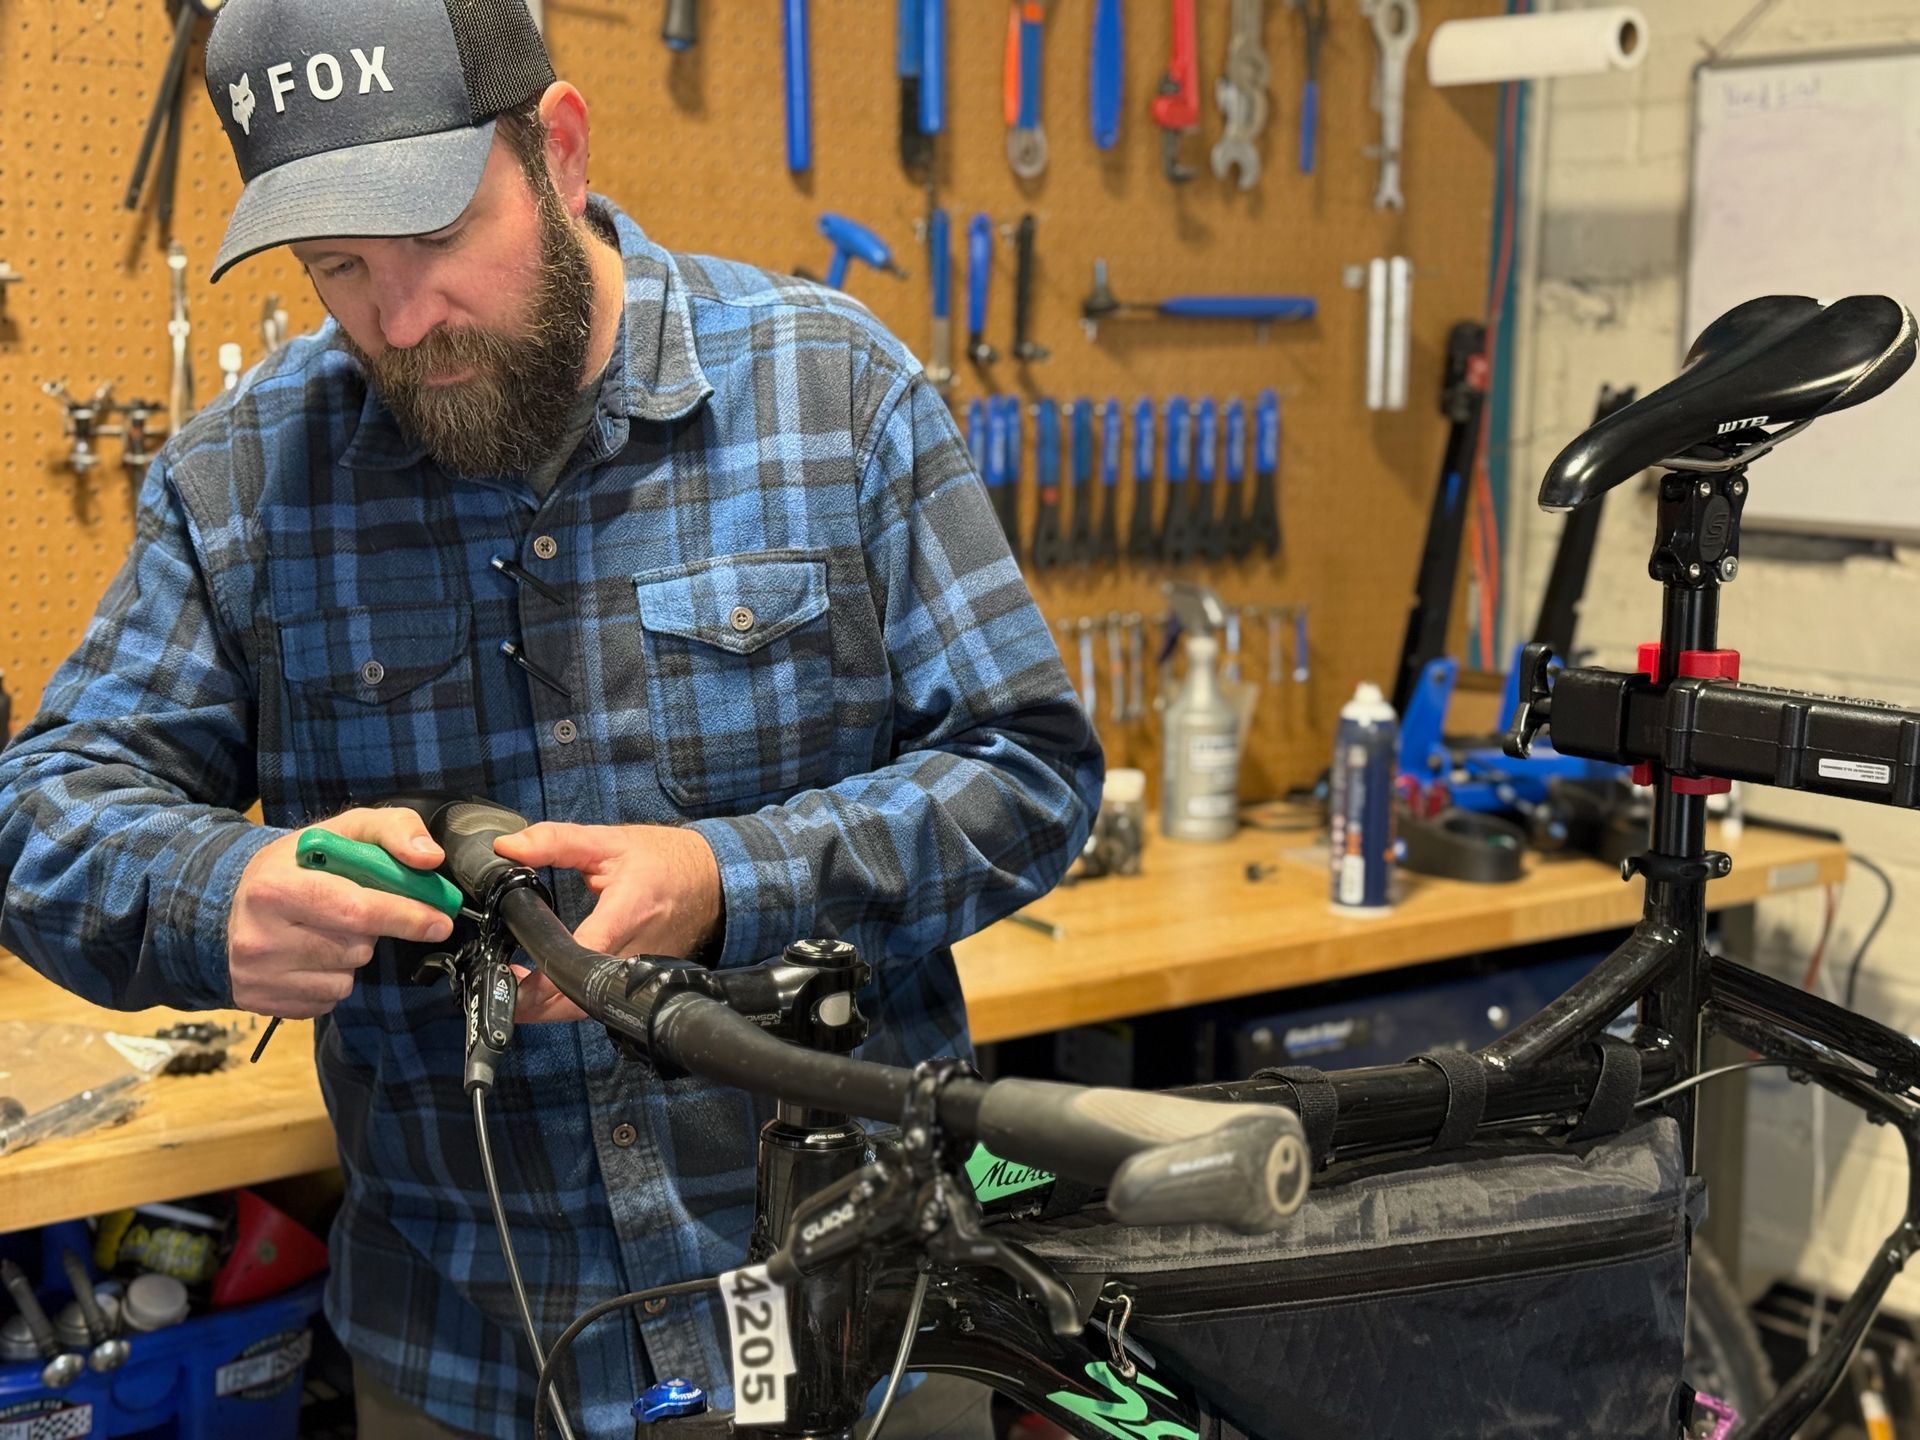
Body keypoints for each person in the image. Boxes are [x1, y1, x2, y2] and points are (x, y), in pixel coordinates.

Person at [0, 0, 1102, 1434]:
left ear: (559, 150)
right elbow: (42, 817)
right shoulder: (251, 482)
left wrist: (727, 880)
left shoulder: (835, 393)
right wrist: (221, 891)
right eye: (341, 268)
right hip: (467, 1363)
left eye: (441, 242)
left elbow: (1027, 774)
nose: (400, 322)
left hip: (852, 1330)